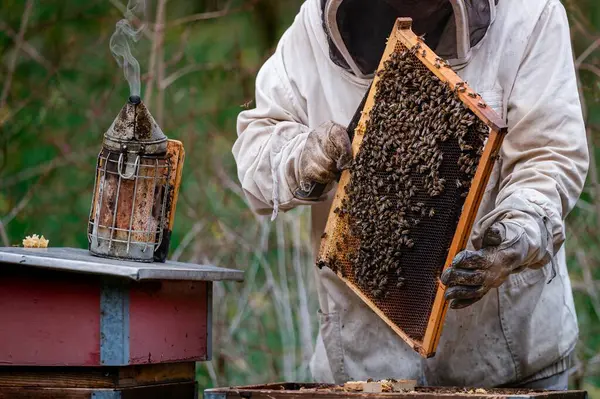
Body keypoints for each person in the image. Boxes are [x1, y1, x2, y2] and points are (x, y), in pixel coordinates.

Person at [232, 0, 589, 390]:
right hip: (365, 370)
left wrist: (518, 235)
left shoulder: (529, 14)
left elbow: (549, 156)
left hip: (509, 362)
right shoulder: (314, 30)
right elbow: (258, 146)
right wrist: (300, 157)